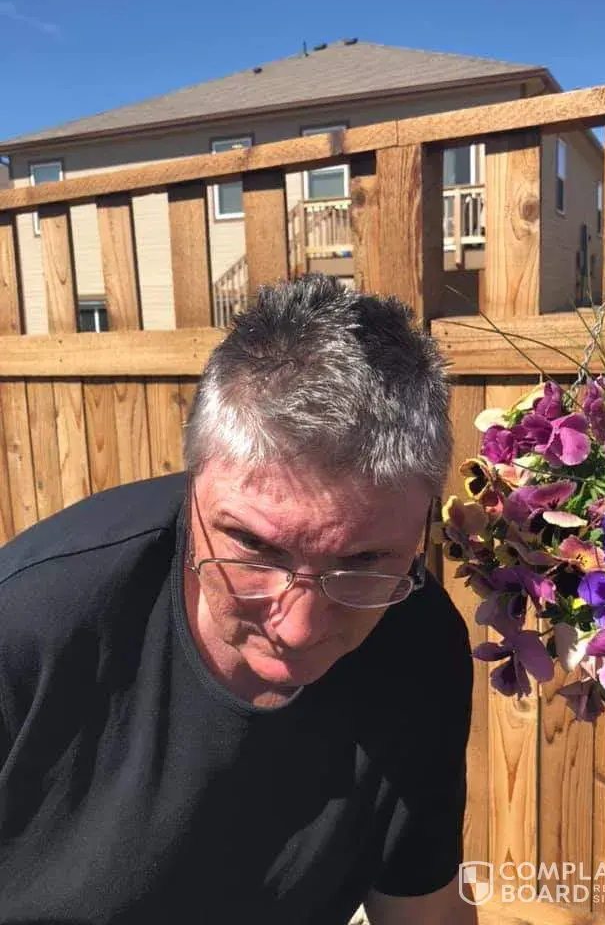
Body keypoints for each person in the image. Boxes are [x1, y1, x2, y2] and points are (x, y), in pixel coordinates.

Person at [0, 276, 475, 924]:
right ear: (192, 482)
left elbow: (426, 911)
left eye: (366, 562)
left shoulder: (418, 641)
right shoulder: (29, 624)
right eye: (255, 547)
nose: (299, 629)